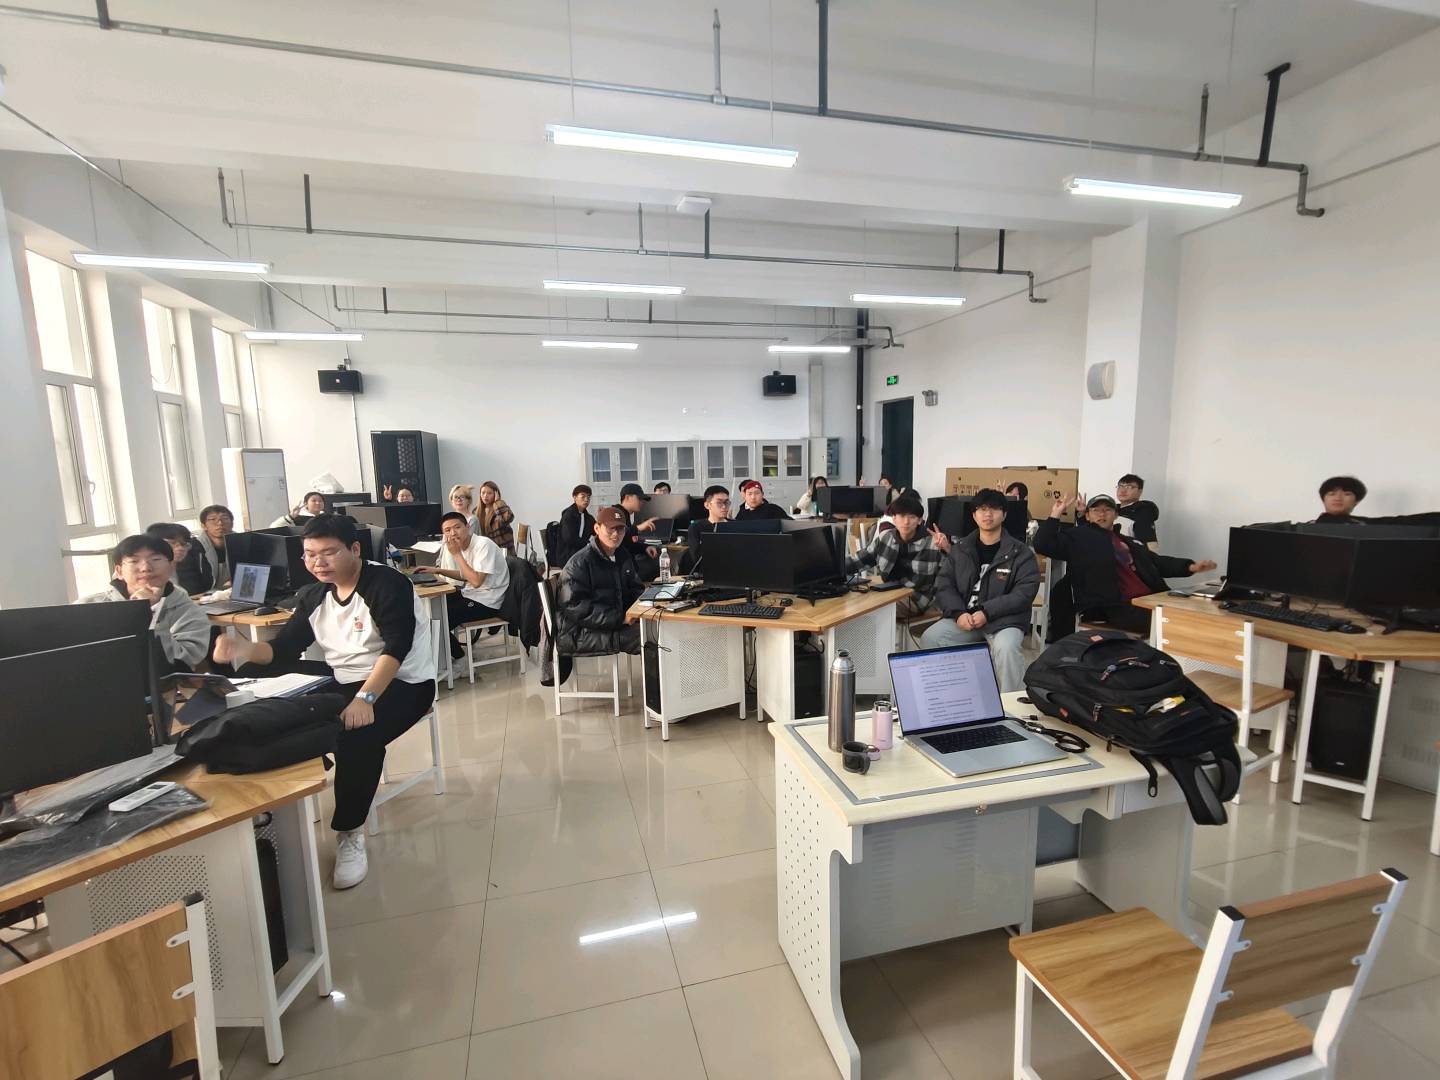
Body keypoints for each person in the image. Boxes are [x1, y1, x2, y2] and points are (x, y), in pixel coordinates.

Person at [211, 514, 436, 890]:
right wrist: (244, 649)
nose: (318, 562)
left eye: (329, 552)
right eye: (310, 554)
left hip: (404, 683)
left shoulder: (386, 584)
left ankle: (350, 832)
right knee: (264, 708)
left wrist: (365, 698)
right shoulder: (314, 595)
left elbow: (397, 648)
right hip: (344, 680)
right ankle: (273, 808)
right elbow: (283, 650)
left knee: (357, 735)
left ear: (355, 549)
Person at [1034, 493, 1215, 637]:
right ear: (1087, 515)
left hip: (1150, 599)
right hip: (1112, 606)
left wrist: (1191, 567)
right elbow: (1042, 544)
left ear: (1116, 514)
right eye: (1096, 510)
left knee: (1201, 611)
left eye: (1107, 510)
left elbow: (1155, 562)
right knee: (1179, 622)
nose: (1102, 514)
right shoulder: (1079, 537)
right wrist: (1055, 515)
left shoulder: (1128, 541)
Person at [919, 489, 1040, 692]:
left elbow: (1023, 594)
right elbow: (944, 585)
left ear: (1004, 514)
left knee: (1006, 649)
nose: (988, 514)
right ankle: (945, 696)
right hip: (966, 618)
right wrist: (958, 613)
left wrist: (986, 611)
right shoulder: (961, 548)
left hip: (1004, 621)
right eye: (982, 509)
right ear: (974, 515)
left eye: (994, 509)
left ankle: (1010, 705)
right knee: (931, 638)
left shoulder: (1021, 553)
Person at [77, 533, 211, 673]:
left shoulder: (190, 612)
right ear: (119, 571)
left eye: (155, 559)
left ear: (171, 567)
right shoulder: (86, 607)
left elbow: (180, 664)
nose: (146, 568)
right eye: (134, 561)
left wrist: (151, 613)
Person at [556, 506, 644, 658]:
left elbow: (635, 588)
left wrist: (646, 607)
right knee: (650, 638)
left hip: (609, 624)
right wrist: (620, 618)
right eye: (610, 529)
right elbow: (574, 606)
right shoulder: (580, 563)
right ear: (597, 528)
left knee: (658, 629)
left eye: (620, 529)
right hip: (580, 633)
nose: (616, 534)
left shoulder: (621, 554)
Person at [846, 493, 944, 616]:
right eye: (901, 516)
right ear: (894, 518)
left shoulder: (933, 544)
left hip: (916, 598)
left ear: (920, 520)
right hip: (888, 591)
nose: (906, 522)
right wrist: (832, 570)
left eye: (912, 517)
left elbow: (948, 577)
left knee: (867, 610)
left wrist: (947, 549)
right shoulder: (886, 537)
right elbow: (861, 559)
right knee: (851, 601)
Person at [431, 511, 510, 658]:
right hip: (471, 594)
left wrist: (456, 555)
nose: (453, 533)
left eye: (457, 527)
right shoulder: (464, 545)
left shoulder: (483, 545)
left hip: (488, 602)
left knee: (438, 621)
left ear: (467, 527)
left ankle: (457, 658)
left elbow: (476, 581)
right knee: (433, 607)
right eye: (447, 530)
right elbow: (466, 575)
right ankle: (446, 656)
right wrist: (437, 570)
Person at [681, 485, 730, 574]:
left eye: (726, 502)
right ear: (707, 505)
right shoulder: (696, 527)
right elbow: (696, 557)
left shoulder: (735, 525)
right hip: (707, 573)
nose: (724, 506)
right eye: (719, 503)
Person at [146, 522, 206, 594]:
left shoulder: (180, 570)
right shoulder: (148, 575)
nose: (180, 548)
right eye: (172, 543)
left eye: (183, 544)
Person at [195, 504, 234, 591]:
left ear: (232, 523)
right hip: (205, 595)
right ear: (203, 526)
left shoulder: (241, 542)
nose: (220, 523)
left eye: (225, 518)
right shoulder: (194, 548)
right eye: (213, 519)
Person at [556, 484, 596, 567]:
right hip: (568, 555)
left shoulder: (587, 517)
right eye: (583, 496)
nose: (586, 499)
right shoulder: (568, 515)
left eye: (588, 497)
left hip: (580, 552)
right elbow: (569, 539)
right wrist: (587, 544)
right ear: (574, 497)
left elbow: (596, 531)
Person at [1115, 474, 1160, 544]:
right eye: (1120, 486)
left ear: (1140, 491)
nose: (1123, 490)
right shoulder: (1112, 510)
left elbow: (1149, 544)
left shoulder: (1143, 513)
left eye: (1129, 487)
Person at [477, 480, 516, 553]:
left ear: (496, 494)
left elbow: (508, 518)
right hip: (485, 551)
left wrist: (498, 502)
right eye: (483, 493)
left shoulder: (499, 508)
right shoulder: (476, 511)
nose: (485, 496)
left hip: (503, 552)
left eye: (489, 493)